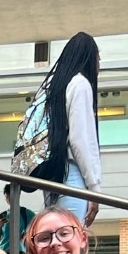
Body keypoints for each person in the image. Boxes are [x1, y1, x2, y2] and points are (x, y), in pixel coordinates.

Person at [35, 31, 102, 226]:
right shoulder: (80, 84)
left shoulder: (51, 85)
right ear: (89, 58)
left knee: (56, 236)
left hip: (53, 174)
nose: (99, 64)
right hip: (72, 173)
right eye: (98, 57)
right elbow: (80, 140)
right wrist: (95, 189)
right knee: (69, 238)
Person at [0, 184, 33, 254]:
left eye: (10, 196)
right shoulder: (3, 215)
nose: (9, 200)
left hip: (18, 250)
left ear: (18, 195)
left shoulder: (25, 213)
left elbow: (38, 223)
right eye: (7, 197)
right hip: (2, 250)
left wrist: (27, 234)